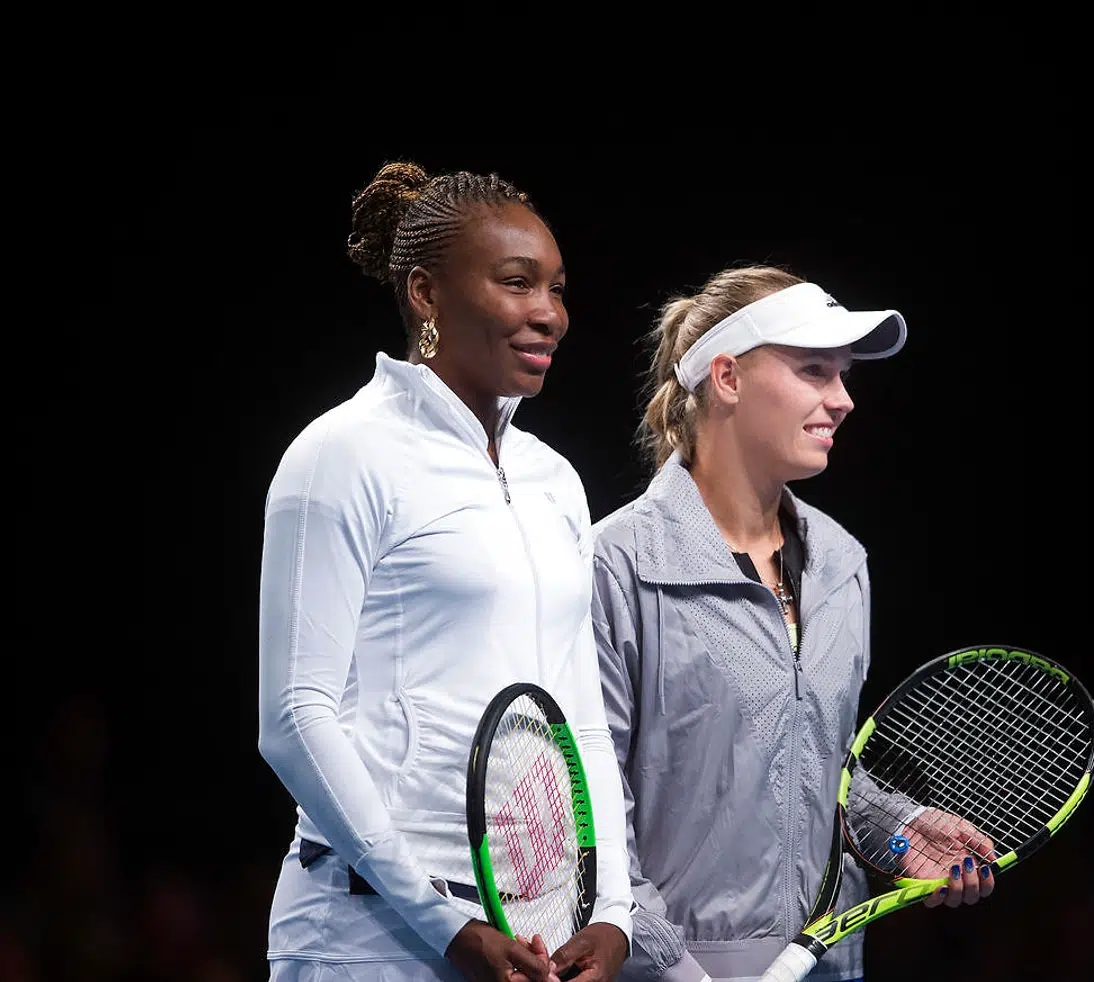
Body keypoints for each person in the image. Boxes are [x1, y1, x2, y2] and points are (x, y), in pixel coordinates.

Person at [257, 161, 633, 982]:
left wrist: (612, 910)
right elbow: (293, 716)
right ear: (427, 295)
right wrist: (442, 924)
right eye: (516, 283)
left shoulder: (554, 479)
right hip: (368, 934)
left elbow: (582, 721)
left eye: (558, 289)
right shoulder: (341, 454)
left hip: (530, 934)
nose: (551, 315)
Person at [589, 266, 996, 982]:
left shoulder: (842, 562)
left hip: (828, 966)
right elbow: (589, 812)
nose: (842, 399)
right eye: (814, 371)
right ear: (727, 377)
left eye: (842, 376)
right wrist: (674, 968)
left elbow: (815, 767)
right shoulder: (614, 564)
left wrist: (900, 833)